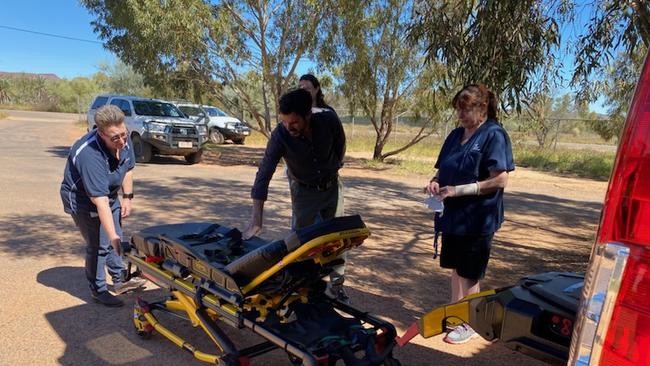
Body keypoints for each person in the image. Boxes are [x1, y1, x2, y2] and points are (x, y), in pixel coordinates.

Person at [425, 84, 514, 344]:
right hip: (452, 215)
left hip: (478, 217)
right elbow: (442, 170)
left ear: (482, 108)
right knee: (456, 268)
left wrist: (459, 190)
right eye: (459, 110)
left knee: (470, 271)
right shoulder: (455, 135)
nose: (461, 115)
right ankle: (456, 311)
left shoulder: (494, 135)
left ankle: (471, 321)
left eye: (466, 110)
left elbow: (500, 180)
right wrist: (434, 182)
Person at [243, 88, 349, 302]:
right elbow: (264, 172)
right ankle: (302, 288)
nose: (288, 126)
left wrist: (333, 167)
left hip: (331, 189)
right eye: (284, 121)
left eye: (293, 122)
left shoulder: (328, 120)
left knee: (336, 240)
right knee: (300, 243)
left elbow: (340, 146)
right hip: (303, 192)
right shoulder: (280, 135)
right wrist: (256, 218)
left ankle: (336, 286)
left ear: (308, 115)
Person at [60, 104, 146, 307]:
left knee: (114, 236)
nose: (122, 141)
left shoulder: (123, 139)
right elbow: (99, 201)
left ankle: (119, 280)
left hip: (108, 195)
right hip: (83, 200)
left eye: (123, 134)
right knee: (100, 244)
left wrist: (127, 197)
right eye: (114, 138)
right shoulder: (89, 154)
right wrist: (113, 236)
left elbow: (128, 170)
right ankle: (98, 290)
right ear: (100, 133)